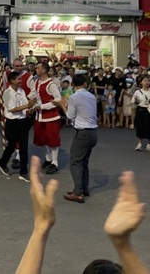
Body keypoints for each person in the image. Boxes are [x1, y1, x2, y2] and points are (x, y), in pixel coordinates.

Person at [63, 74, 98, 203]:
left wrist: (62, 104)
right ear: (85, 84)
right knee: (84, 161)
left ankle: (78, 192)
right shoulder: (92, 96)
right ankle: (83, 188)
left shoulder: (74, 97)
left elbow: (70, 116)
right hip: (93, 131)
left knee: (75, 162)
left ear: (73, 85)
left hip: (82, 132)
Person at [0, 71, 34, 181]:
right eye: (18, 79)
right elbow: (12, 109)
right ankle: (2, 162)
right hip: (12, 123)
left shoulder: (21, 91)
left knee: (24, 147)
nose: (20, 81)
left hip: (23, 121)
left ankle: (23, 171)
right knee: (11, 146)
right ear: (12, 81)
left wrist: (29, 108)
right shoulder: (7, 93)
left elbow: (25, 104)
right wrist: (27, 105)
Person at [32, 62, 66, 174]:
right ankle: (48, 158)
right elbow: (34, 95)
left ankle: (55, 163)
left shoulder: (51, 84)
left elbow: (58, 100)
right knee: (42, 139)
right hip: (39, 116)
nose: (36, 69)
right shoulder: (37, 81)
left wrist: (42, 106)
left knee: (53, 139)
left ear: (44, 70)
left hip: (51, 116)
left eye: (38, 68)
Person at [131, 76, 150, 151]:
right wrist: (136, 102)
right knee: (140, 127)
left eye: (148, 81)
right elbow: (133, 102)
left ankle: (149, 144)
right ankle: (139, 143)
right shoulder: (138, 92)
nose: (147, 82)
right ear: (141, 82)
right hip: (141, 110)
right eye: (145, 81)